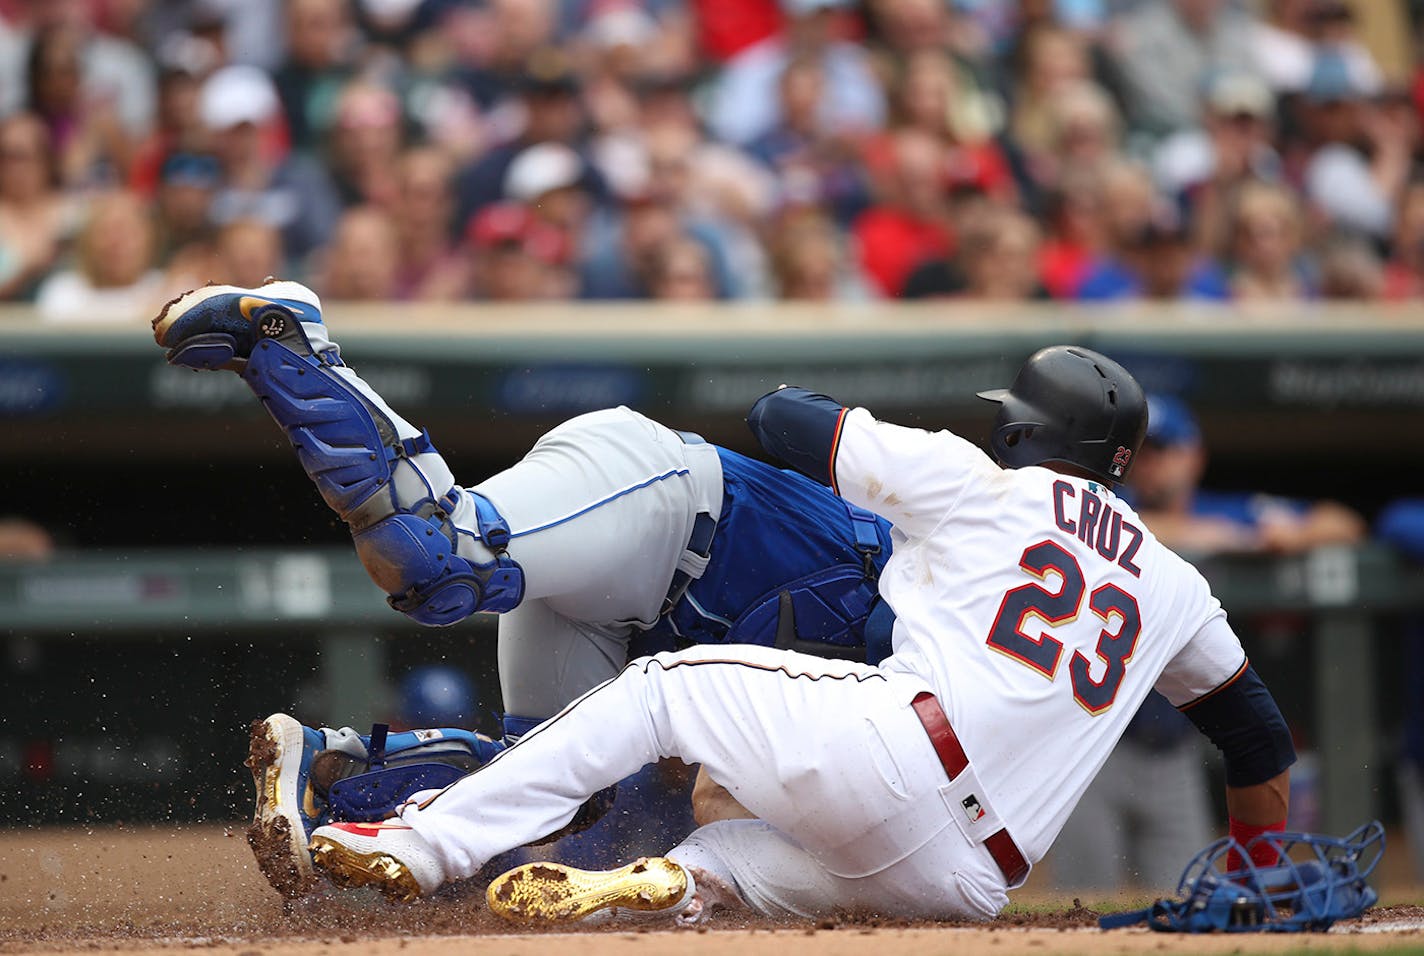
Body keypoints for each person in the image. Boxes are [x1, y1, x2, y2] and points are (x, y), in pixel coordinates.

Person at [295, 343, 1291, 924]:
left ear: (1027, 429)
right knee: (729, 847)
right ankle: (665, 882)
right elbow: (1256, 740)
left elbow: (779, 418)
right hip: (967, 877)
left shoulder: (986, 483)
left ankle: (424, 842)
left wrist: (899, 460)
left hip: (898, 749)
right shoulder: (1169, 582)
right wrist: (1252, 866)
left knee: (662, 689)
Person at [151, 279, 895, 897]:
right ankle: (286, 335)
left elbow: (713, 799)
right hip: (667, 503)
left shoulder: (877, 722)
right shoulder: (922, 587)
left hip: (631, 615)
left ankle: (329, 774)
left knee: (550, 786)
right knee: (440, 557)